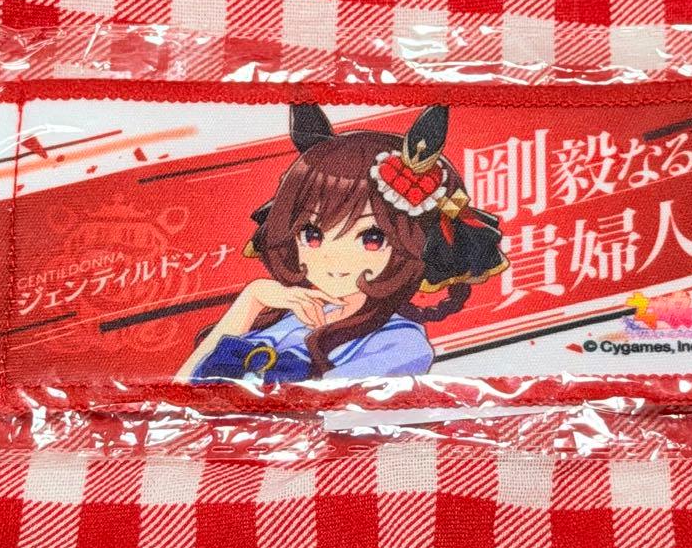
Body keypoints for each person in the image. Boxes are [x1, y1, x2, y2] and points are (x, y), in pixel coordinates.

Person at [177, 103, 507, 382]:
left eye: (372, 238)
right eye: (312, 234)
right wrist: (251, 298)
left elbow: (317, 421)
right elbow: (180, 396)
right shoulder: (286, 314)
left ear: (415, 245)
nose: (333, 258)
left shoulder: (400, 345)